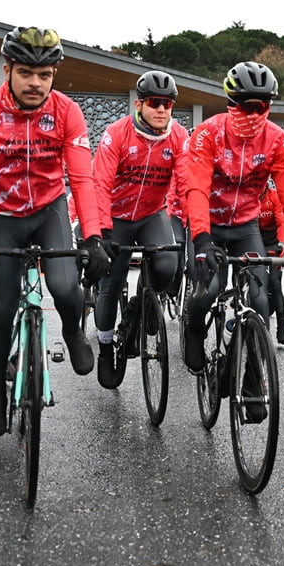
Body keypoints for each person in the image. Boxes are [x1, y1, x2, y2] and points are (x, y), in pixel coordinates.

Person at [0, 26, 110, 437]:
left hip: (48, 210)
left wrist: (93, 236)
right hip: (0, 214)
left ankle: (72, 331)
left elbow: (82, 179)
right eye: (26, 73)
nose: (35, 83)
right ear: (8, 70)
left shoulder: (67, 111)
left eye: (45, 74)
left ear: (54, 74)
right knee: (2, 308)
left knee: (65, 286)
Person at [182, 61, 284, 379]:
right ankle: (194, 331)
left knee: (259, 300)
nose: (254, 114)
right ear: (231, 103)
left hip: (245, 226)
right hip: (209, 226)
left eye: (261, 106)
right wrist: (201, 239)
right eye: (246, 106)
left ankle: (255, 380)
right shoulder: (207, 133)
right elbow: (196, 189)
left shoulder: (277, 139)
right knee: (209, 290)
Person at [90, 70, 188, 389]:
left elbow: (187, 184)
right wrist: (103, 231)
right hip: (116, 217)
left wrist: (199, 227)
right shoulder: (117, 134)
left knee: (168, 267)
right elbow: (100, 184)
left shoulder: (178, 137)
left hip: (151, 215)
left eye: (167, 104)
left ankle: (139, 306)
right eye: (154, 102)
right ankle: (106, 347)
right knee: (111, 282)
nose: (161, 109)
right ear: (139, 104)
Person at [257, 178, 284, 345]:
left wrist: (283, 243)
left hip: (271, 243)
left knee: (276, 283)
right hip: (254, 242)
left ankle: (281, 327)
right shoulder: (248, 196)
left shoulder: (273, 196)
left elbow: (282, 222)